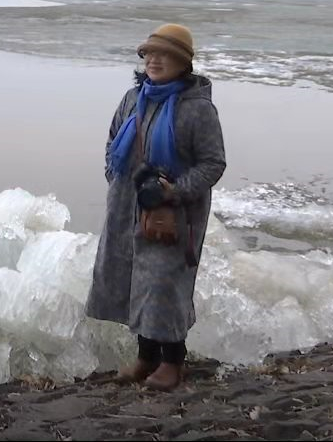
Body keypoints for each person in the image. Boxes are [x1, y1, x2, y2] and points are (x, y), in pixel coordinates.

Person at [85, 23, 226, 391]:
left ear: (183, 63)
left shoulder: (198, 110)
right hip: (126, 206)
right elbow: (113, 138)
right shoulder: (133, 98)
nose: (154, 60)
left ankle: (173, 363)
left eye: (165, 55)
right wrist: (114, 177)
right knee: (135, 279)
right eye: (149, 53)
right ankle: (145, 358)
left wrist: (175, 191)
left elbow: (213, 164)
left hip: (175, 214)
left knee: (165, 283)